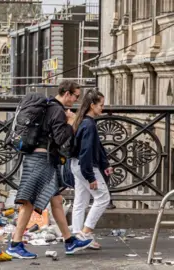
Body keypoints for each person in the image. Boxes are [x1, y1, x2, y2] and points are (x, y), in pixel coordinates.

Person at [6, 81, 92, 259]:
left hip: (40, 158)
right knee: (28, 202)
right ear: (67, 94)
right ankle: (15, 244)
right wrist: (71, 122)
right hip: (41, 160)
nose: (76, 100)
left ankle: (69, 241)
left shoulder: (49, 107)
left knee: (57, 201)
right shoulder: (57, 110)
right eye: (76, 96)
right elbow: (61, 139)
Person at [70, 90, 112, 249]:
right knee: (103, 198)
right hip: (85, 166)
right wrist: (91, 177)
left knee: (80, 201)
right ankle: (85, 233)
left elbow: (94, 148)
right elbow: (87, 151)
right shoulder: (89, 124)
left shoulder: (82, 121)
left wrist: (105, 164)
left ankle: (76, 234)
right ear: (92, 105)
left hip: (76, 165)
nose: (103, 108)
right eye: (101, 105)